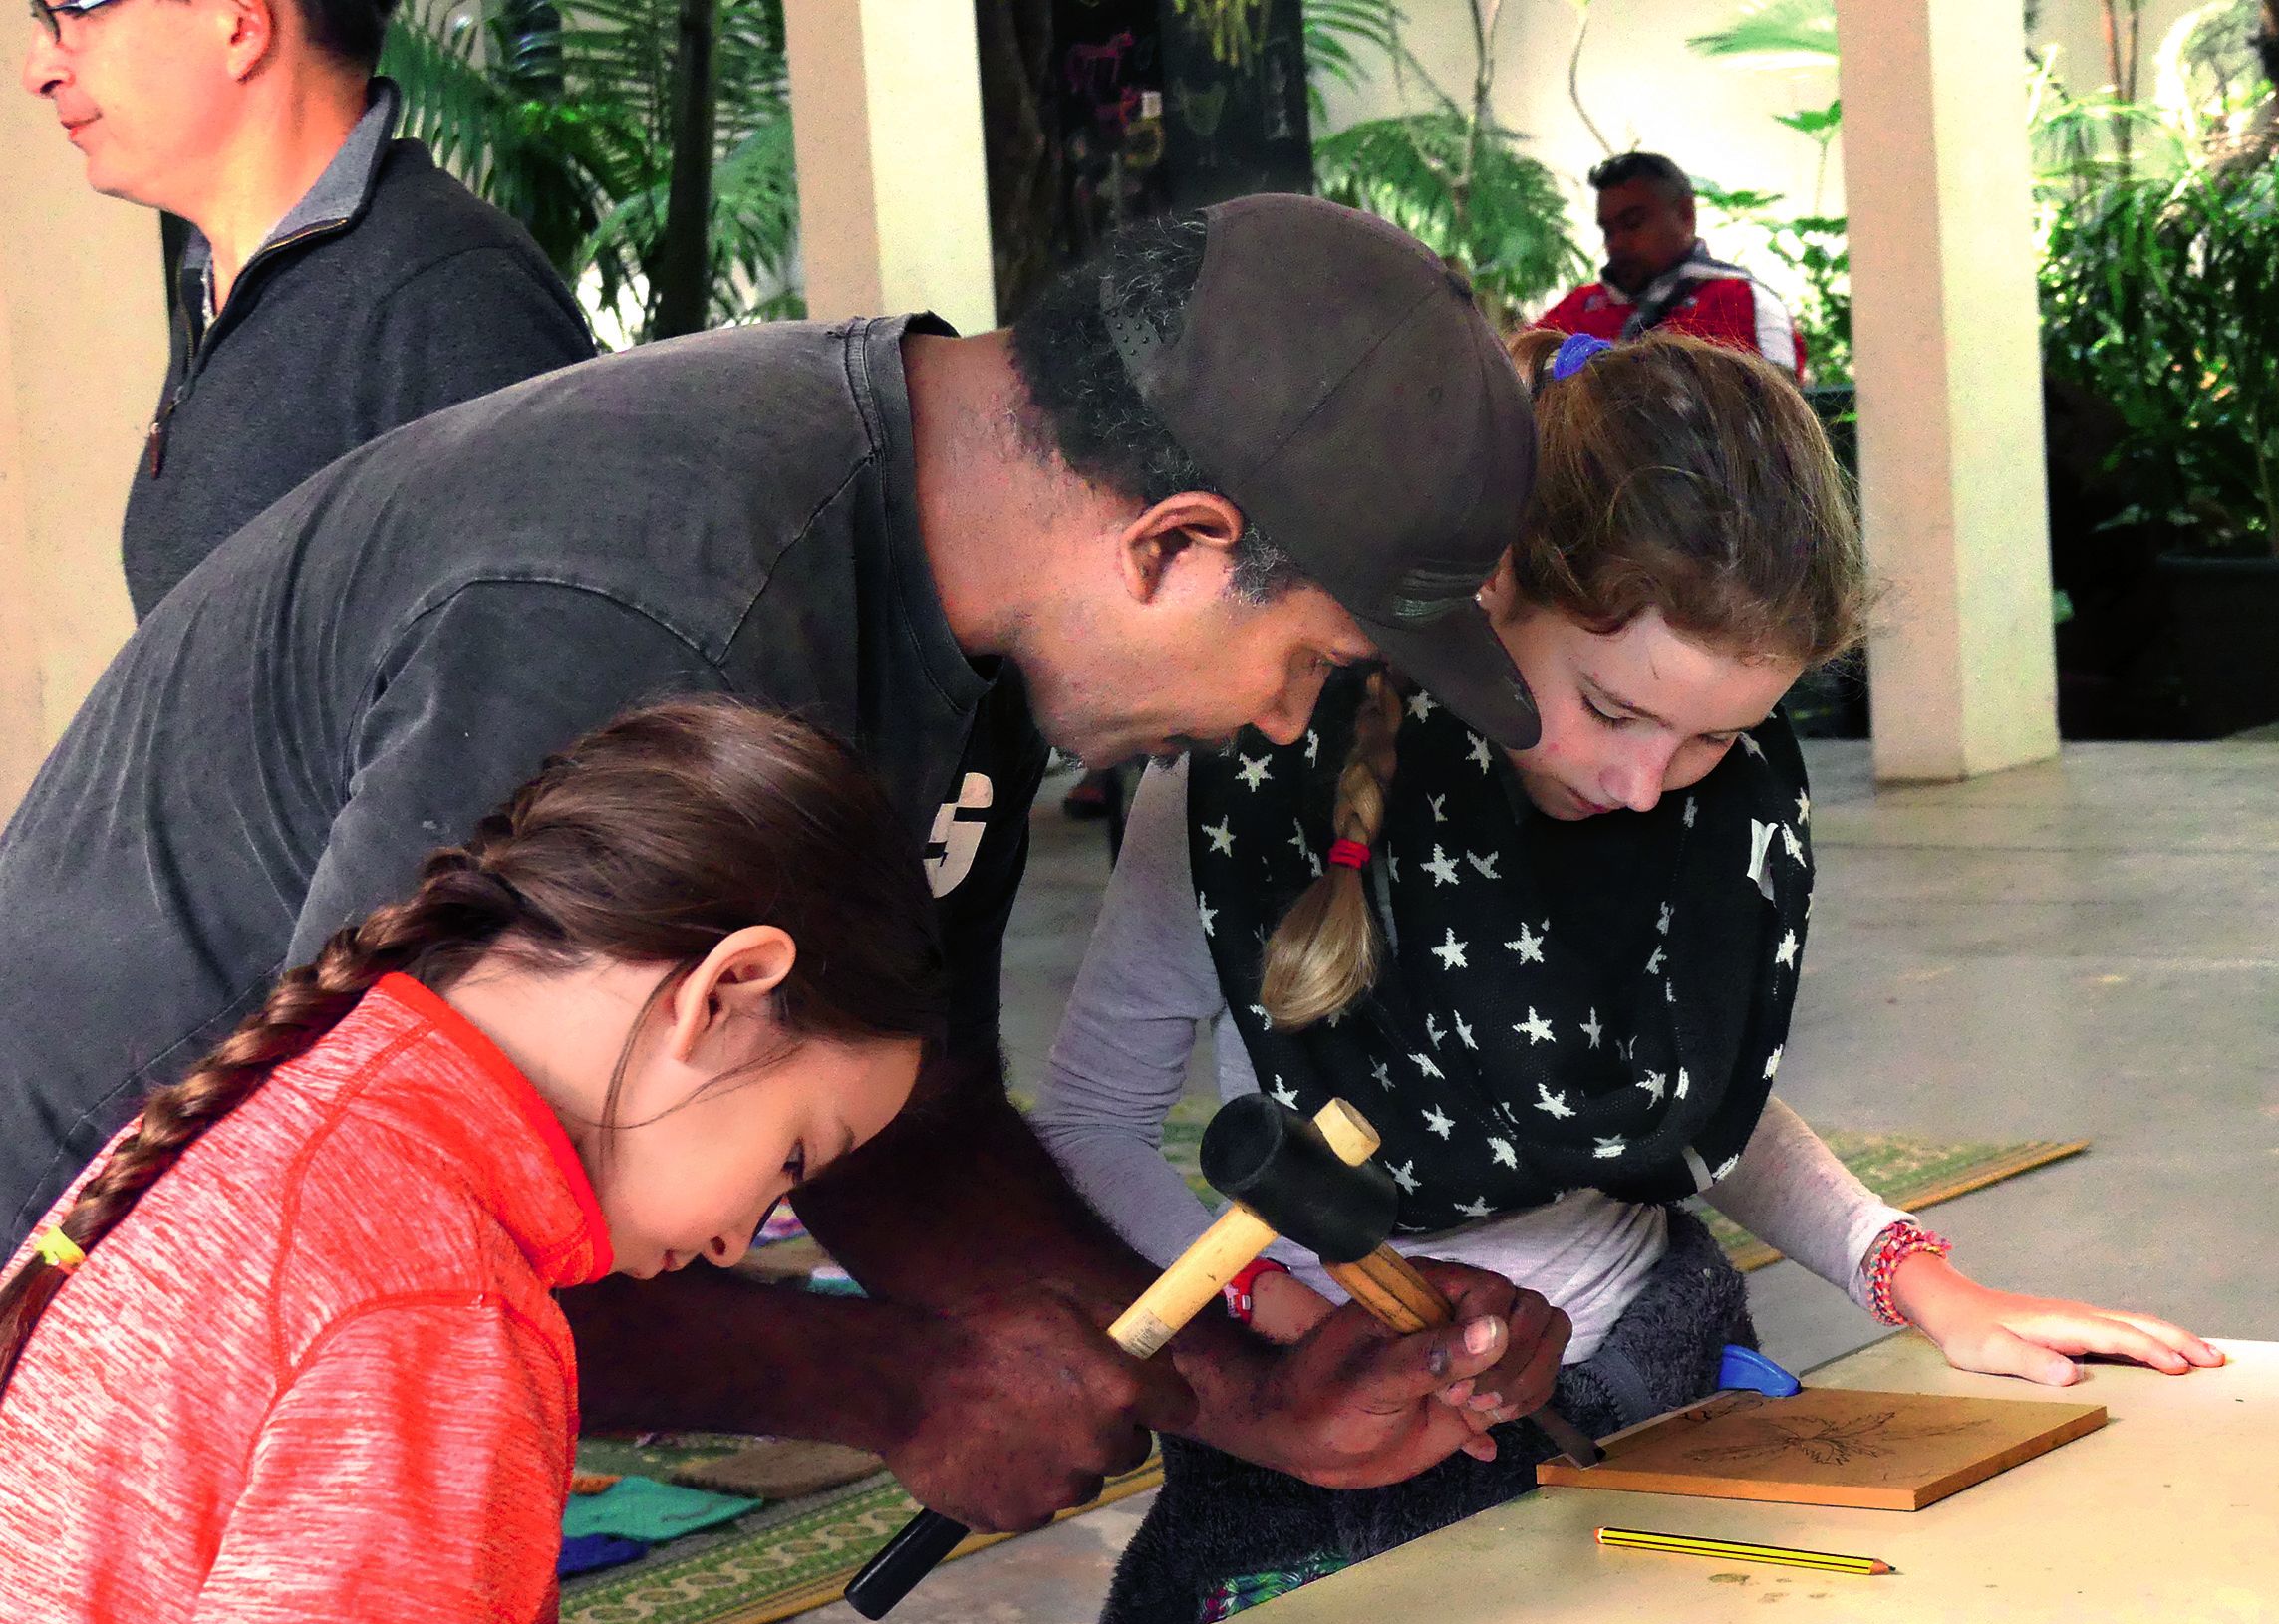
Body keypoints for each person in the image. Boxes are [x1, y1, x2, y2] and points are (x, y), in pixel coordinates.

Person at [0, 196, 1568, 1542]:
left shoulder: (973, 584)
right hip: (83, 1326)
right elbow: (405, 1213)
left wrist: (1238, 1386)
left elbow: (894, 1098)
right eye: (1307, 662)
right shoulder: (661, 614)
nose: (1278, 721)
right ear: (1171, 544)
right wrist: (889, 1379)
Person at [1033, 330, 2222, 1624]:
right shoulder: (1244, 782)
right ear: (1496, 587)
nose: (1646, 783)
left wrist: (1918, 1276)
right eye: (1609, 707)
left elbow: (1691, 1102)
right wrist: (1292, 1332)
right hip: (1323, 1430)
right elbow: (1089, 1125)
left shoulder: (1714, 810)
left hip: (1658, 1373)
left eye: (1713, 736)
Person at [0, 700, 949, 1624]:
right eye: (796, 1156)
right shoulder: (431, 1303)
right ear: (727, 989)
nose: (739, 1238)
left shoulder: (304, 1110)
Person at [21, 0, 594, 618]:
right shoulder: (222, 283)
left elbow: (540, 678)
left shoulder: (448, 300)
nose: (38, 69)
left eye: (71, 11)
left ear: (240, 25)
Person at [1535, 151, 1804, 382]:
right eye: (1608, 230)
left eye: (1633, 224)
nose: (1616, 243)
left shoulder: (1741, 302)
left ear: (1686, 215)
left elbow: (1779, 419)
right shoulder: (1577, 310)